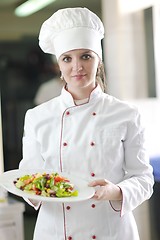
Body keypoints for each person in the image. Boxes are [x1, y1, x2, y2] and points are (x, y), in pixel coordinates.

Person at [19, 7, 154, 240]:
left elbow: (143, 178)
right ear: (58, 66)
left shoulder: (126, 114)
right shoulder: (37, 117)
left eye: (86, 56)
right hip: (56, 231)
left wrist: (117, 191)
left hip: (110, 230)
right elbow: (29, 177)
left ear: (98, 60)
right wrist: (31, 192)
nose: (77, 67)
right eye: (67, 58)